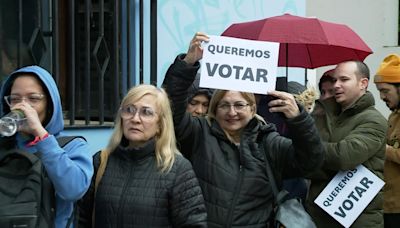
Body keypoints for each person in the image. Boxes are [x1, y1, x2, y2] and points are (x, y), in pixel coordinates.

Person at [163, 32, 325, 227]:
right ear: (215, 108)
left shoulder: (269, 142)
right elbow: (171, 109)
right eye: (224, 105)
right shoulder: (199, 133)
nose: (232, 112)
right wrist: (187, 64)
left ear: (252, 108)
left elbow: (311, 162)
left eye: (239, 105)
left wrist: (299, 120)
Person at [77, 84, 207, 227]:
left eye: (146, 112)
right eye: (129, 110)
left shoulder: (177, 169)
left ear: (160, 124)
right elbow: (83, 219)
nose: (135, 119)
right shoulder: (102, 161)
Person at [0, 65, 93, 227]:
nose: (23, 106)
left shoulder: (72, 146)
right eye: (15, 99)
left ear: (50, 104)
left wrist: (41, 135)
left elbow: (73, 190)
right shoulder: (4, 144)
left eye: (33, 99)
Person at [307, 60, 387, 227]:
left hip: (358, 221)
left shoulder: (374, 120)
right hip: (319, 217)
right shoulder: (323, 115)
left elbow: (343, 157)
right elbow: (304, 165)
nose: (336, 85)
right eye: (335, 80)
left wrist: (308, 150)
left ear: (363, 83)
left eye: (344, 80)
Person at [374, 54, 400, 228]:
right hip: (388, 205)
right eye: (379, 91)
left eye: (385, 91)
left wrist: (377, 147)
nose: (382, 97)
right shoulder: (393, 115)